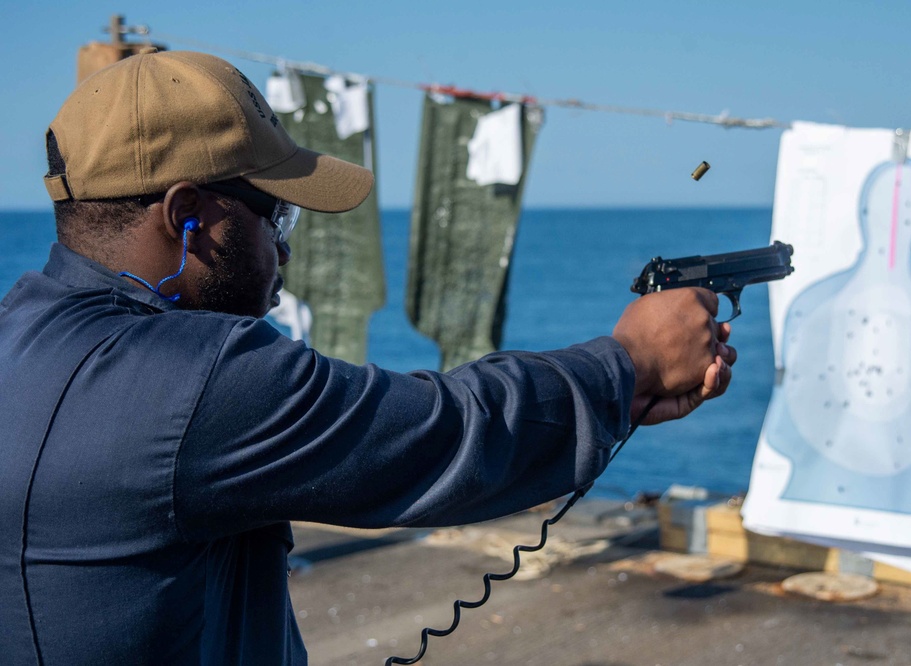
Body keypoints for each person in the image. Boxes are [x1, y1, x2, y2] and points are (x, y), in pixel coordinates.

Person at [0, 50, 736, 664]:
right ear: (188, 216)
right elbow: (447, 430)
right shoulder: (199, 381)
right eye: (275, 214)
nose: (284, 247)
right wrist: (632, 360)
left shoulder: (17, 336)